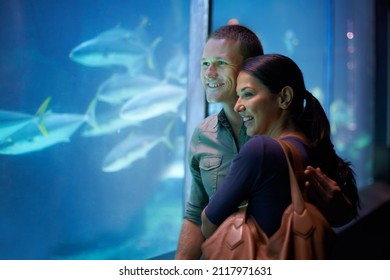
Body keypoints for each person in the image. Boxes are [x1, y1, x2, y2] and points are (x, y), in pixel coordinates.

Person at [175, 25, 359, 259]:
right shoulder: (204, 134)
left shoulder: (282, 137)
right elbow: (194, 214)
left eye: (221, 63)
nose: (209, 72)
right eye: (204, 63)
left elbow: (337, 208)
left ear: (250, 65)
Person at [201, 54, 359, 242]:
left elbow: (209, 225)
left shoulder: (261, 150)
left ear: (284, 97)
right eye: (238, 96)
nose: (237, 106)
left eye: (247, 94)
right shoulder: (311, 148)